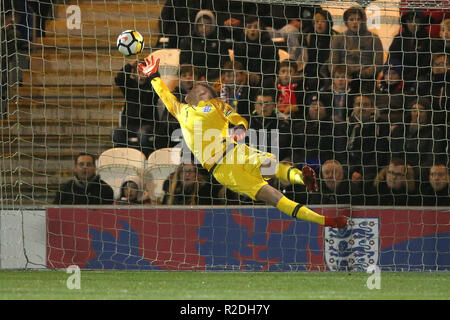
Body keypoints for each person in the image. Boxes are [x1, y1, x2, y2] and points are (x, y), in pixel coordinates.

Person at [138, 56, 347, 228]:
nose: (197, 90)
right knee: (272, 195)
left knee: (275, 167)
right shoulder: (182, 111)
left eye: (202, 89)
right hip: (222, 167)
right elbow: (165, 95)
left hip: (237, 149)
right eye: (196, 89)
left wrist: (239, 128)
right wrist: (154, 76)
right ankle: (325, 220)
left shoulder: (217, 105)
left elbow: (238, 118)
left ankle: (304, 180)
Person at [328, 6, 384, 92]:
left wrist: (362, 73)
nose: (355, 22)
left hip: (366, 79)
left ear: (363, 21)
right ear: (346, 22)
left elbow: (378, 64)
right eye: (351, 19)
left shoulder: (374, 39)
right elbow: (333, 63)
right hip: (343, 79)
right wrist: (341, 75)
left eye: (358, 19)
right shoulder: (338, 39)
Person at [113, 60, 159, 157]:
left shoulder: (152, 87)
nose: (142, 75)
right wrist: (129, 66)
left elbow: (157, 80)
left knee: (142, 135)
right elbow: (120, 78)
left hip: (148, 125)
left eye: (145, 72)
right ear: (134, 74)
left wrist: (152, 71)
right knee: (116, 133)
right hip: (130, 125)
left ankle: (144, 158)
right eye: (139, 72)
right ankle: (122, 157)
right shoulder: (129, 86)